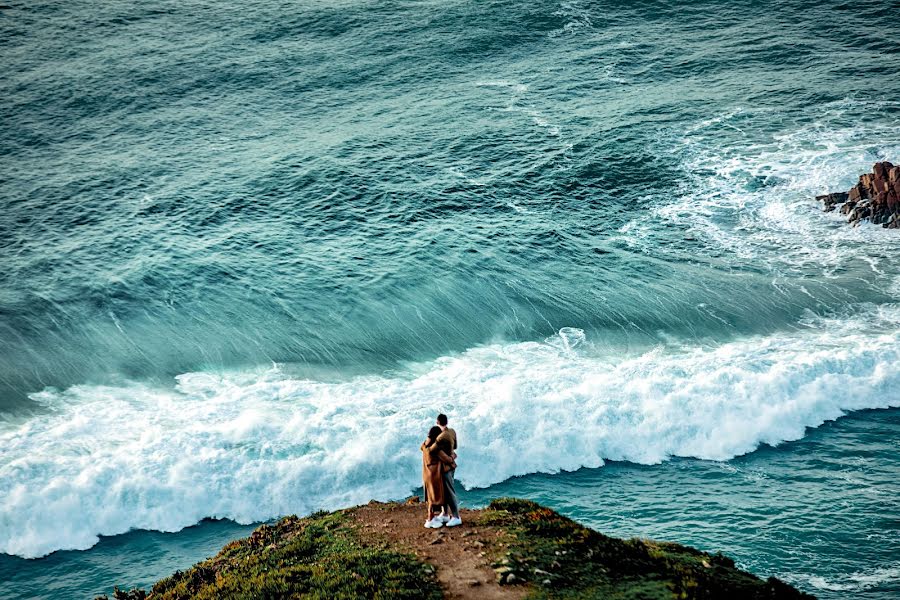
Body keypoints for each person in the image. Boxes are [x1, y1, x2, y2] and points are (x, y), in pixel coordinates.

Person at [428, 413, 461, 527]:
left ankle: (456, 516)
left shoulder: (441, 436)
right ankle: (445, 513)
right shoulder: (452, 431)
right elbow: (455, 446)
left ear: (437, 422)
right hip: (451, 465)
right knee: (445, 491)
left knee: (449, 491)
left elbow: (431, 450)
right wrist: (451, 454)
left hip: (446, 467)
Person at [420, 425, 455, 528]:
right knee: (433, 498)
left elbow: (421, 447)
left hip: (427, 474)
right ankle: (430, 519)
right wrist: (453, 456)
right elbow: (447, 459)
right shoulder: (435, 449)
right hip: (434, 475)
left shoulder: (424, 445)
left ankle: (439, 515)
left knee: (430, 497)